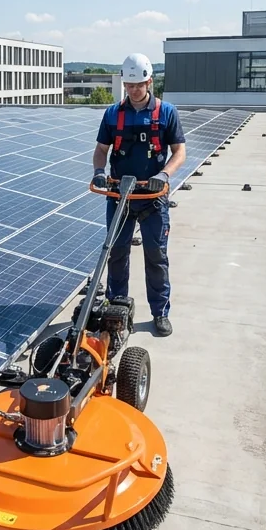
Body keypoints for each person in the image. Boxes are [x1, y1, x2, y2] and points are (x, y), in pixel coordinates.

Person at [91, 53, 186, 336]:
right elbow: (101, 150)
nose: (133, 90)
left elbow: (179, 151)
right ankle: (116, 312)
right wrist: (98, 170)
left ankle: (160, 312)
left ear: (149, 82)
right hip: (119, 196)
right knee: (116, 253)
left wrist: (164, 174)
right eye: (129, 85)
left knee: (156, 255)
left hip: (152, 198)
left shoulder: (166, 113)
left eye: (139, 84)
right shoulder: (112, 114)